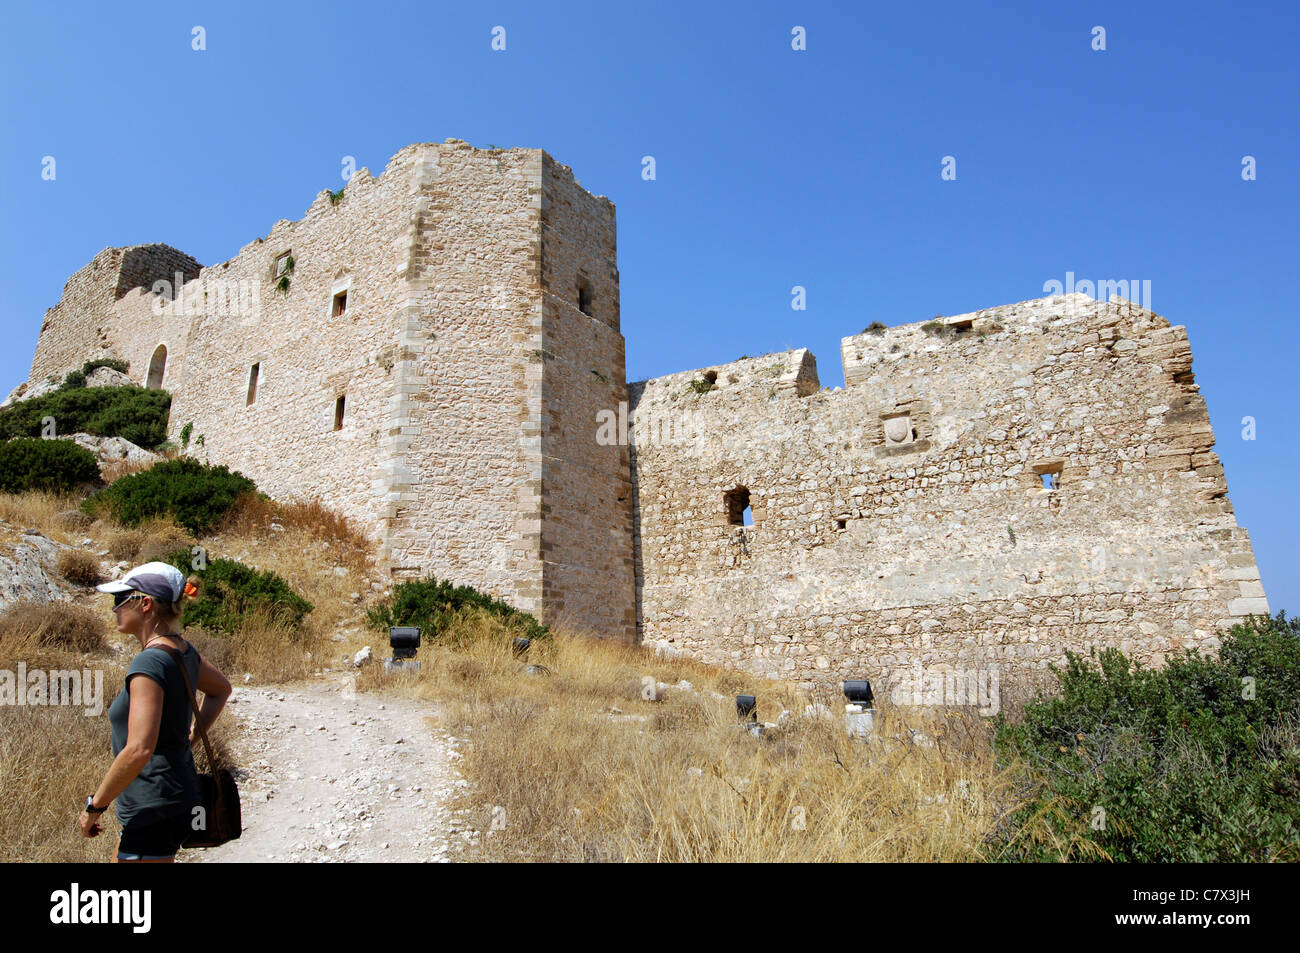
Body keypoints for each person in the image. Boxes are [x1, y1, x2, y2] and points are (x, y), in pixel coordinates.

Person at [77, 561, 232, 862]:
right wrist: (190, 740)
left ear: (145, 604)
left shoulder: (149, 662)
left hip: (154, 804)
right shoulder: (182, 650)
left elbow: (138, 749)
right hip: (171, 797)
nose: (115, 609)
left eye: (120, 600)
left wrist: (94, 807)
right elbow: (220, 689)